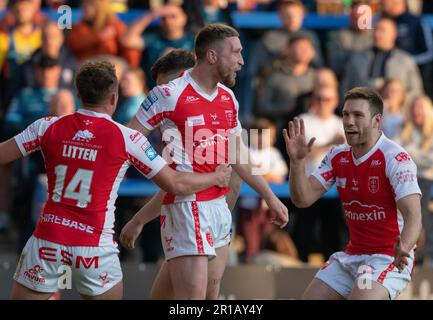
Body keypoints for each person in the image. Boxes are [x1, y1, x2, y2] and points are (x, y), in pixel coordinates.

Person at [0, 60, 232, 300]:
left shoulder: (46, 126)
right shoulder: (127, 138)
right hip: (94, 248)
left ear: (78, 94)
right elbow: (175, 184)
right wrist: (216, 176)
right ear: (113, 98)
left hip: (48, 241)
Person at [123, 24, 288, 300]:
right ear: (212, 56)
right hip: (188, 207)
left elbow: (237, 155)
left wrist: (269, 196)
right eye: (235, 53)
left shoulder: (228, 98)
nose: (241, 61)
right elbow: (129, 140)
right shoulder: (169, 93)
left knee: (205, 297)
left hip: (219, 209)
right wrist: (163, 172)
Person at [120, 47, 243, 299]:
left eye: (167, 86)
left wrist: (216, 218)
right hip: (200, 220)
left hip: (204, 220)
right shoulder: (178, 128)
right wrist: (139, 220)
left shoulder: (216, 109)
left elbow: (235, 173)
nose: (164, 97)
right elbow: (176, 186)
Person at [283, 87, 422, 300]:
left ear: (377, 121)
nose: (349, 121)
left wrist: (405, 244)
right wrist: (297, 162)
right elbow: (302, 199)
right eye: (346, 115)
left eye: (358, 115)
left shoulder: (395, 158)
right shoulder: (337, 156)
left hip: (387, 257)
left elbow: (413, 215)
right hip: (351, 255)